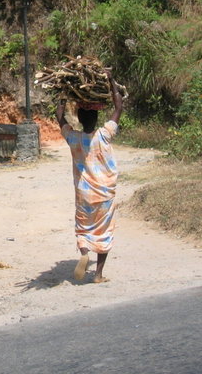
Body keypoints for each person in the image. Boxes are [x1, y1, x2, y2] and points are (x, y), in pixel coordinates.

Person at [56, 71, 123, 283]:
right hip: (104, 193)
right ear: (96, 118)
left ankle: (84, 252)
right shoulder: (104, 134)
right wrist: (112, 82)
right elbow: (119, 107)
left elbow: (59, 117)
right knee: (104, 230)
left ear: (80, 119)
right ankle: (99, 274)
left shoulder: (73, 138)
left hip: (84, 194)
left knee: (84, 227)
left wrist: (63, 92)